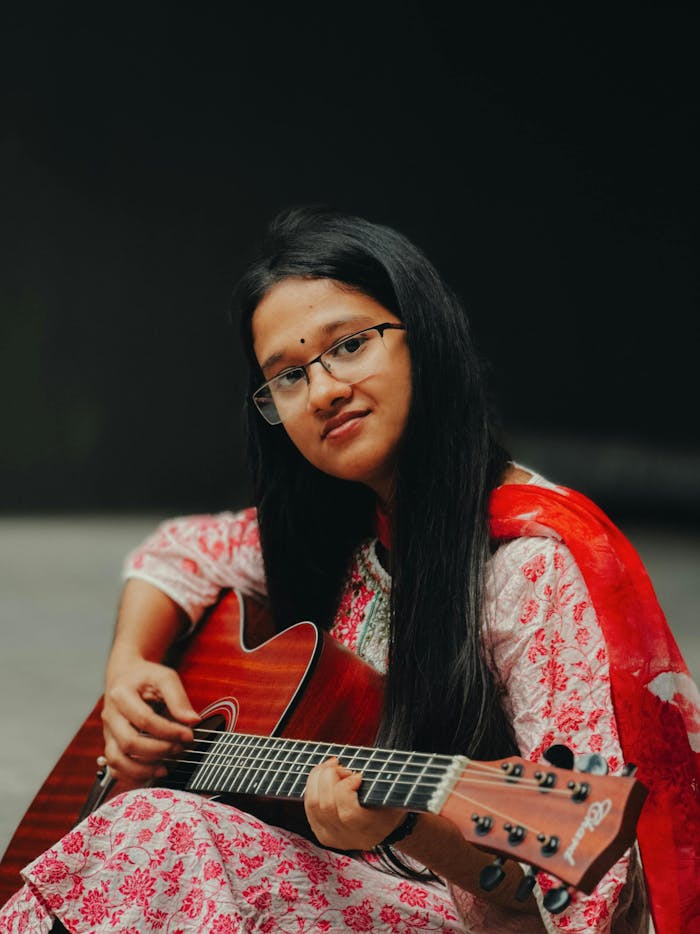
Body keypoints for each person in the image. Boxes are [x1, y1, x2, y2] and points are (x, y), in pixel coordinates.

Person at [1, 206, 698, 933]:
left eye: (351, 345)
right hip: (349, 886)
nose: (326, 389)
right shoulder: (342, 524)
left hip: (471, 918)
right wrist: (130, 666)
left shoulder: (529, 566)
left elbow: (578, 897)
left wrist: (404, 828)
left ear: (423, 338)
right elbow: (180, 551)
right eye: (290, 377)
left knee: (156, 831)